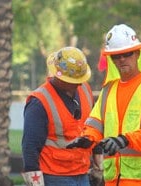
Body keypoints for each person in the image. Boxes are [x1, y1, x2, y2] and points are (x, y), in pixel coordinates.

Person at [67, 24, 141, 186]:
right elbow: (95, 124)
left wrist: (124, 140)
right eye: (116, 56)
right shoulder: (108, 90)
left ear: (137, 53)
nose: (121, 59)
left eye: (126, 54)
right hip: (113, 179)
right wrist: (88, 139)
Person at [21, 46, 94, 186]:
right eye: (73, 81)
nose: (78, 83)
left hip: (82, 173)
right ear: (58, 76)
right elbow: (30, 146)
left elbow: (93, 127)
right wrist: (34, 181)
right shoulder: (39, 102)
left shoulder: (85, 89)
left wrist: (98, 164)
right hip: (54, 176)